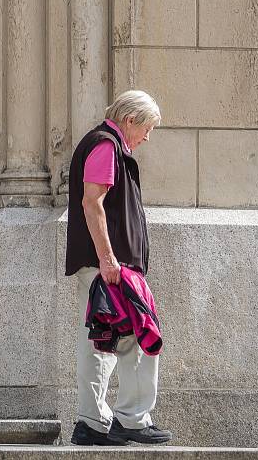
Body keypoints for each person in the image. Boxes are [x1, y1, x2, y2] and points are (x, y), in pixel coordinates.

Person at [65, 90, 173, 446]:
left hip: (105, 266)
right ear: (130, 120)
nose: (147, 137)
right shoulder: (106, 145)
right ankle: (132, 418)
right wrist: (109, 259)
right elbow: (92, 201)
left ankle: (92, 423)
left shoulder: (106, 144)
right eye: (147, 128)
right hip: (111, 268)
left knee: (101, 340)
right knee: (138, 336)